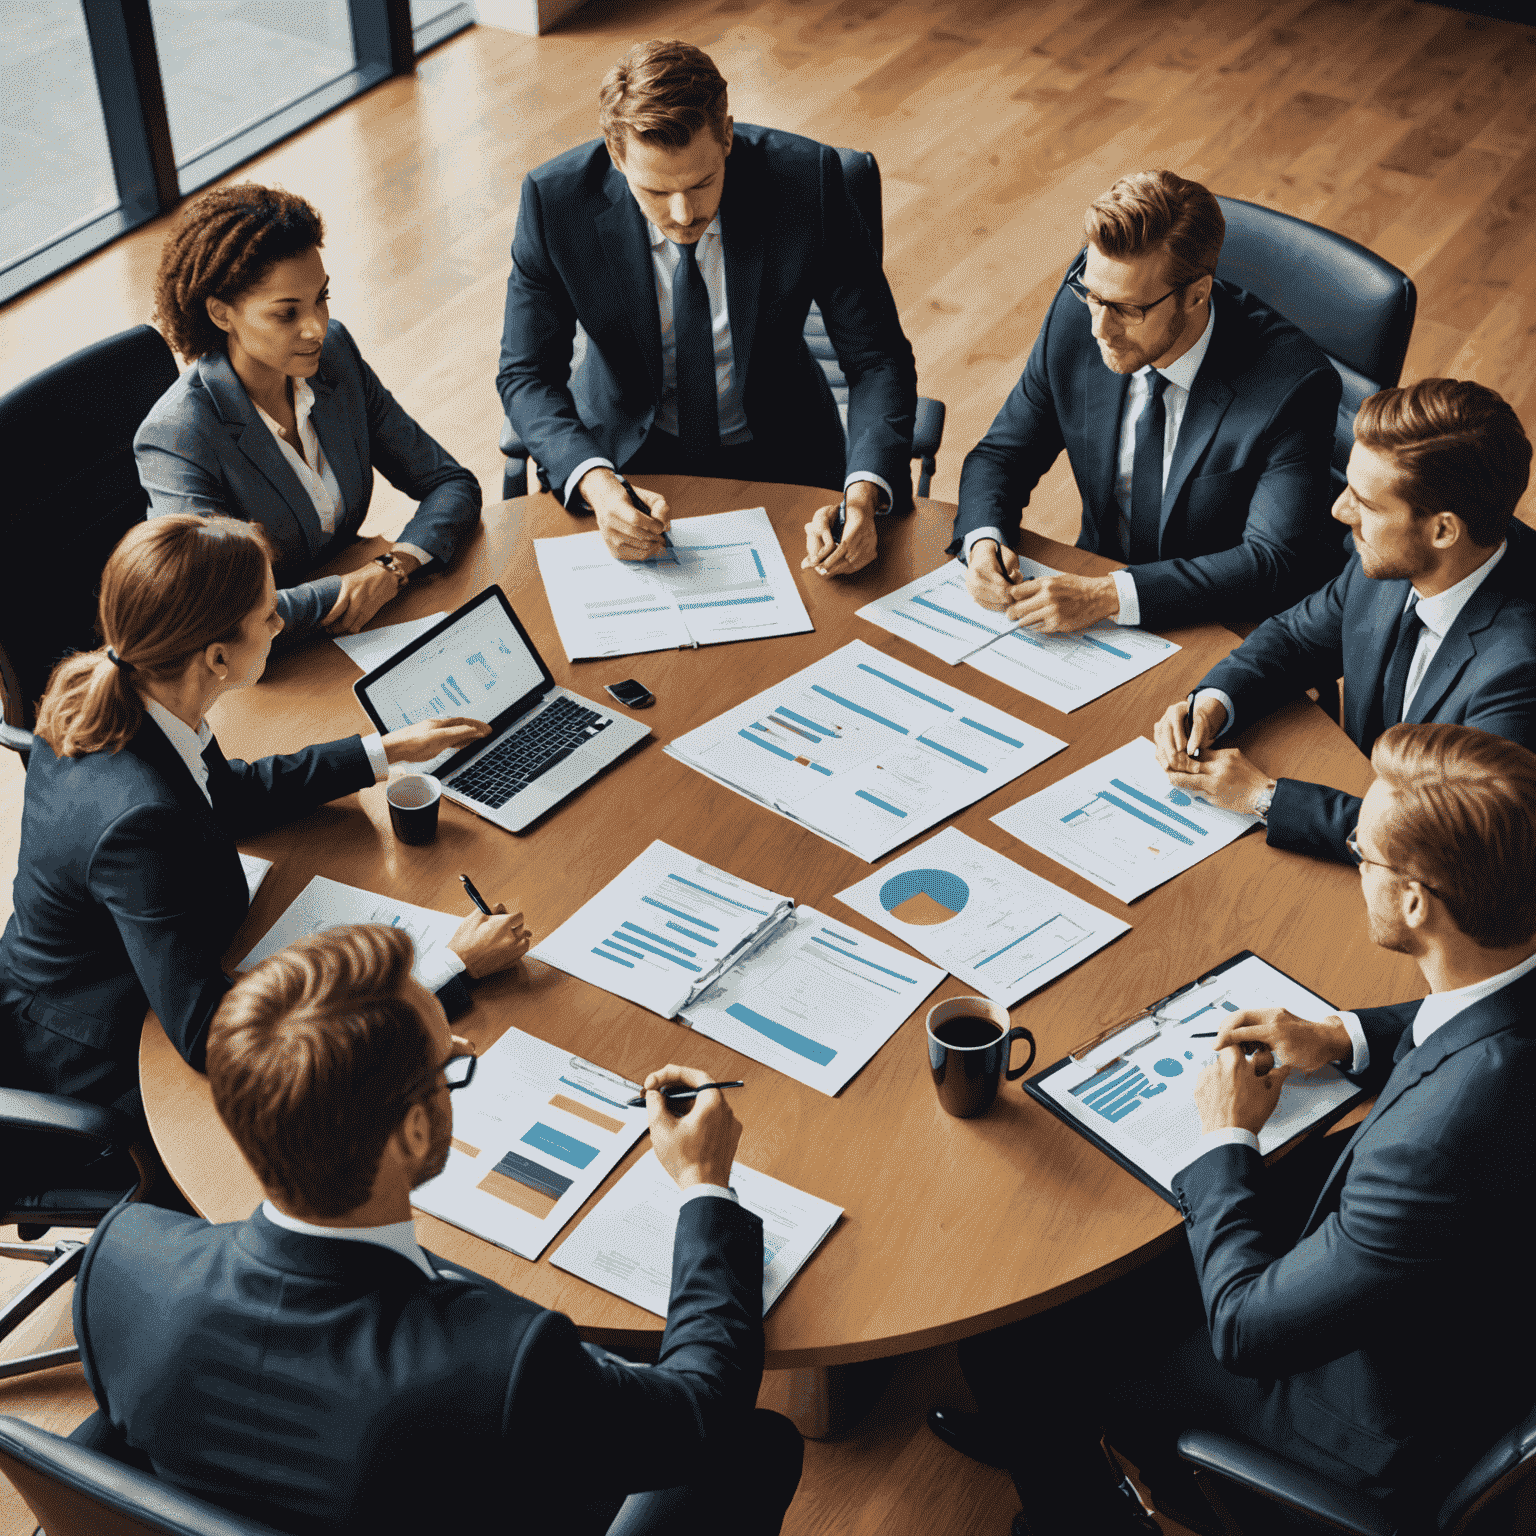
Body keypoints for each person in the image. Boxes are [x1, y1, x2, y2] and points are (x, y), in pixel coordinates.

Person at [930, 722, 1536, 1535]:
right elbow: (1467, 1022)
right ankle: (1048, 1430)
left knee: (1015, 1342)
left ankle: (1075, 1504)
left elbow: (1246, 1331)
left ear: (1417, 901)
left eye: (1363, 848)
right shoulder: (1505, 975)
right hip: (1464, 1308)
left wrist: (1225, 1138)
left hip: (1365, 1422)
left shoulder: (1438, 1142)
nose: (1356, 857)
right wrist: (1342, 1037)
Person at [70, 922, 804, 1535]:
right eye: (448, 1059)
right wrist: (704, 1185)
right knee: (759, 1445)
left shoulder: (121, 1265)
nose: (462, 1050)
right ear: (415, 1131)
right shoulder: (505, 1362)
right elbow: (701, 1408)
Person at [0, 514, 529, 1116]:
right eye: (268, 615)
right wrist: (450, 968)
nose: (282, 622)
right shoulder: (138, 821)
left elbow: (221, 795)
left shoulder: (130, 694)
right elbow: (214, 1037)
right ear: (219, 659)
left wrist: (385, 750)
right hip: (109, 1047)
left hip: (150, 962)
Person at [497, 38, 917, 579]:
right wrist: (595, 484)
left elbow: (878, 358)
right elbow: (527, 374)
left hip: (786, 457)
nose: (683, 214)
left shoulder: (808, 182)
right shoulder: (554, 203)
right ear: (616, 152)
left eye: (702, 183)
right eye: (654, 191)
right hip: (624, 462)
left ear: (726, 136)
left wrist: (861, 496)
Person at [1152, 377, 1536, 864]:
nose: (1340, 510)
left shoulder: (1518, 669)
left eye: (1366, 503)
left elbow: (1458, 842)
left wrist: (1264, 798)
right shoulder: (1395, 555)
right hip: (1353, 793)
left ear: (1442, 530)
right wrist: (1214, 702)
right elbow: (1295, 637)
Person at [951, 169, 1342, 635]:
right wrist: (982, 540)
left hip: (1215, 625)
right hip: (1092, 603)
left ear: (1197, 294)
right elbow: (1004, 453)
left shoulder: (1294, 386)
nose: (1099, 327)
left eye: (1126, 309)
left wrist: (1112, 595)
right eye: (1092, 295)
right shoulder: (1081, 315)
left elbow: (1270, 559)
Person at [135, 183, 482, 642]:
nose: (316, 327)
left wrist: (393, 568)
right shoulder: (178, 434)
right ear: (222, 314)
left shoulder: (335, 356)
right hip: (263, 662)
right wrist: (351, 588)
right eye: (286, 314)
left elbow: (450, 483)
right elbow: (214, 610)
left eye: (321, 297)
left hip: (362, 626)